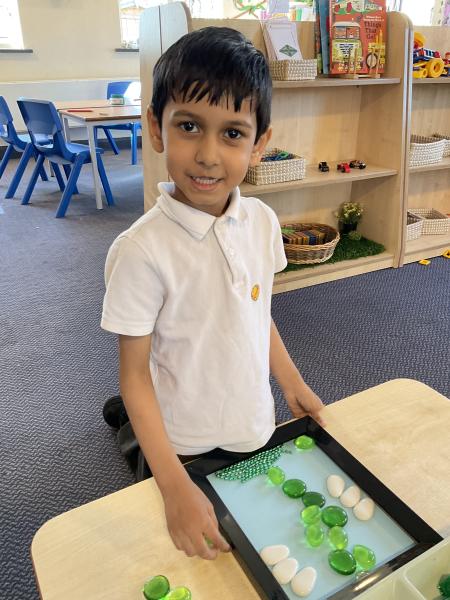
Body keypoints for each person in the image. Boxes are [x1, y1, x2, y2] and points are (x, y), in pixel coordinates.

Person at [101, 26, 324, 561]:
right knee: (190, 552)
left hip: (251, 422)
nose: (207, 154)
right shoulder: (140, 251)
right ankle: (131, 434)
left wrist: (291, 382)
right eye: (189, 126)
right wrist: (172, 485)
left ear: (259, 144)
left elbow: (257, 312)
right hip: (179, 440)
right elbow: (134, 375)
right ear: (156, 128)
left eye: (232, 133)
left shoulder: (263, 222)